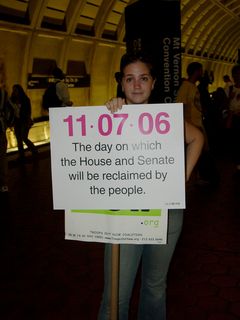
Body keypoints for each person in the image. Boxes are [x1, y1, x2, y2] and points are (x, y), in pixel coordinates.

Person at [98, 52, 204, 320]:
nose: (136, 85)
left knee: (155, 288)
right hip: (124, 216)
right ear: (121, 84)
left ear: (153, 83)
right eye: (129, 79)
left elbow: (197, 138)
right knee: (116, 296)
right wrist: (109, 109)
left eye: (143, 78)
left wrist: (181, 177)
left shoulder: (164, 119)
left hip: (166, 214)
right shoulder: (110, 116)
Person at [9, 84, 37, 161]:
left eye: (15, 90)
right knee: (18, 139)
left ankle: (34, 151)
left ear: (19, 90)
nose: (14, 92)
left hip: (24, 121)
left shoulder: (25, 99)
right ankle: (22, 156)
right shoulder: (12, 99)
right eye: (13, 90)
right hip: (16, 121)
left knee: (24, 137)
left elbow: (28, 111)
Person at [224, 64, 240, 170]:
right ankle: (237, 165)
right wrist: (229, 99)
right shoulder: (230, 89)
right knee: (235, 142)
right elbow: (224, 105)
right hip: (233, 119)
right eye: (235, 74)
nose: (237, 76)